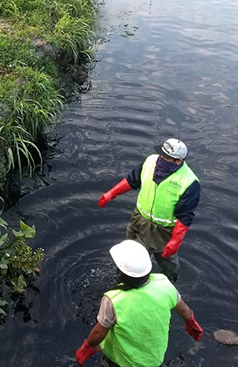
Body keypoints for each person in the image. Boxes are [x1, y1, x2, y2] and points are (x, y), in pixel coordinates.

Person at [75, 240, 203, 367]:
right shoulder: (164, 284)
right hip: (154, 360)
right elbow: (185, 311)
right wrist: (191, 324)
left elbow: (99, 333)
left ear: (120, 273)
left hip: (122, 362)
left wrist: (86, 348)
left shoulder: (113, 299)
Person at [98, 139, 201, 283]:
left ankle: (169, 286)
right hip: (139, 220)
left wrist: (175, 242)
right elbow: (132, 180)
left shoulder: (189, 182)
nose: (161, 159)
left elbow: (185, 217)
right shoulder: (150, 162)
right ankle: (125, 282)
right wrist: (111, 194)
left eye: (166, 158)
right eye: (161, 155)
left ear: (178, 161)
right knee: (130, 256)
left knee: (167, 263)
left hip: (163, 231)